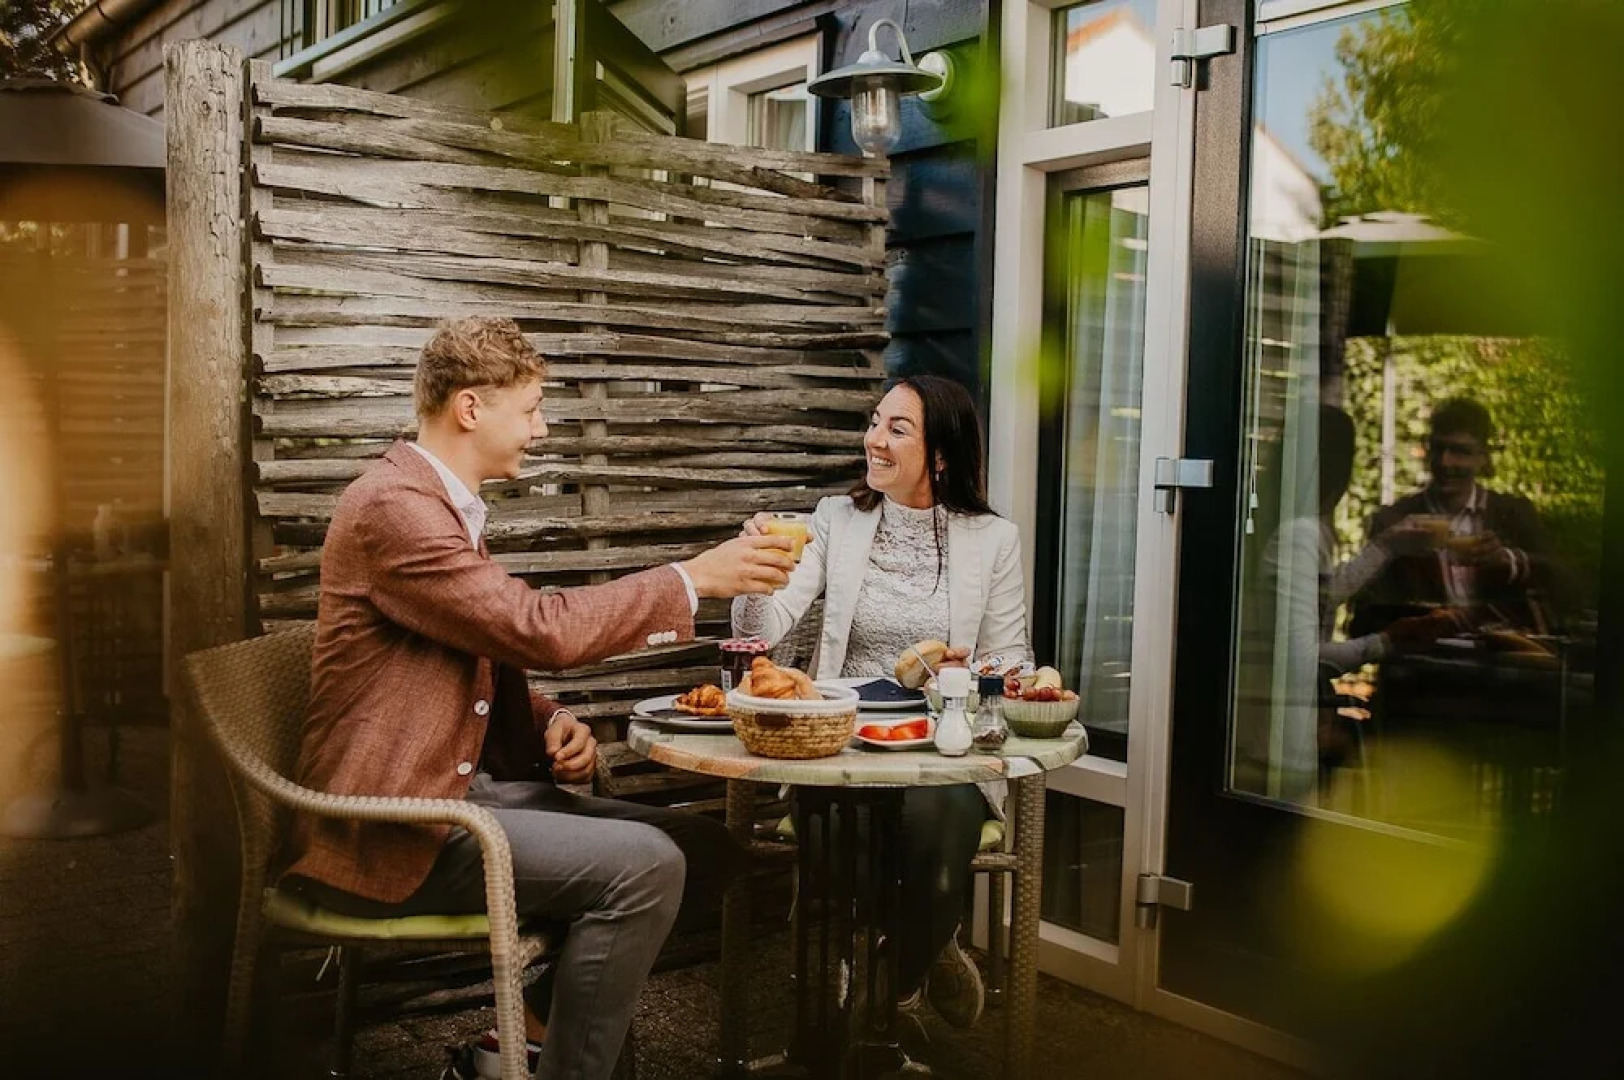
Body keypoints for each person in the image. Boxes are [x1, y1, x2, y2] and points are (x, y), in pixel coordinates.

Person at [277, 317, 799, 1080]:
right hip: (397, 822)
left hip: (462, 792)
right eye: (530, 409)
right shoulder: (393, 506)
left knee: (705, 853)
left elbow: (468, 646)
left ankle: (519, 1040)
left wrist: (551, 720)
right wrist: (693, 579)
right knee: (645, 868)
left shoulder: (438, 501)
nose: (542, 428)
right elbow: (532, 628)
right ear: (469, 408)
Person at [731, 374, 1029, 1029]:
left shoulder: (993, 540)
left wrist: (963, 672)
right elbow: (763, 627)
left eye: (897, 428)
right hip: (838, 742)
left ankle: (888, 988)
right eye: (874, 422)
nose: (875, 438)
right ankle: (902, 953)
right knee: (843, 823)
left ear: (942, 455)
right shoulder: (837, 520)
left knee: (938, 823)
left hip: (937, 748)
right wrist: (757, 571)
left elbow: (1011, 666)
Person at [1349, 397, 1559, 639]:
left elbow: (1562, 579)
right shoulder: (1394, 520)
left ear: (1483, 457)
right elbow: (1363, 619)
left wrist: (1509, 561)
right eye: (1438, 449)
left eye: (1460, 452)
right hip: (1422, 666)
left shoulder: (1512, 514)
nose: (1445, 462)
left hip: (1497, 663)